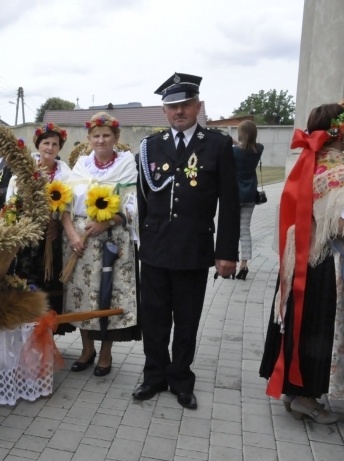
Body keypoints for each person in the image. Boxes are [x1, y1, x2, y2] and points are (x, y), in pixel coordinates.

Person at [133, 73, 239, 410]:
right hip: (154, 248)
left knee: (188, 318)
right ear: (164, 111)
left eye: (185, 105)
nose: (179, 111)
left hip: (193, 248)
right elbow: (142, 198)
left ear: (198, 106)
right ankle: (153, 376)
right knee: (154, 317)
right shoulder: (151, 146)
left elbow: (230, 202)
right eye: (172, 106)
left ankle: (180, 378)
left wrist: (226, 253)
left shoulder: (218, 144)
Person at [259, 100, 344, 424]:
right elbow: (343, 225)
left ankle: (294, 390)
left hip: (300, 258)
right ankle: (306, 396)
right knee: (317, 328)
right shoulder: (341, 170)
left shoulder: (308, 162)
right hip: (326, 261)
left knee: (300, 322)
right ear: (343, 131)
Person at [62, 113, 141, 376]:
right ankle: (87, 349)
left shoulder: (127, 163)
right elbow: (64, 204)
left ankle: (106, 352)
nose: (101, 140)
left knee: (108, 295)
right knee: (82, 295)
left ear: (116, 138)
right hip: (80, 243)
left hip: (112, 240)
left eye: (106, 135)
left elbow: (132, 206)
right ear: (89, 139)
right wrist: (72, 234)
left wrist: (106, 223)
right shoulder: (82, 165)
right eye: (96, 135)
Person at [13, 122, 75, 335]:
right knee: (28, 283)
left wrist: (56, 224)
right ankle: (27, 332)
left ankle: (47, 336)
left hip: (52, 240)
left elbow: (70, 205)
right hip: (29, 240)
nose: (49, 147)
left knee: (51, 284)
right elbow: (13, 202)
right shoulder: (24, 170)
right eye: (45, 143)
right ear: (38, 145)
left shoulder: (66, 175)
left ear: (59, 148)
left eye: (54, 144)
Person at [233, 120, 264, 280]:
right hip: (250, 194)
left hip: (235, 195)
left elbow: (237, 149)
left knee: (232, 230)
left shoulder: (234, 151)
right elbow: (246, 146)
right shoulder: (259, 149)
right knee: (245, 230)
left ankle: (231, 262)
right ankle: (244, 264)